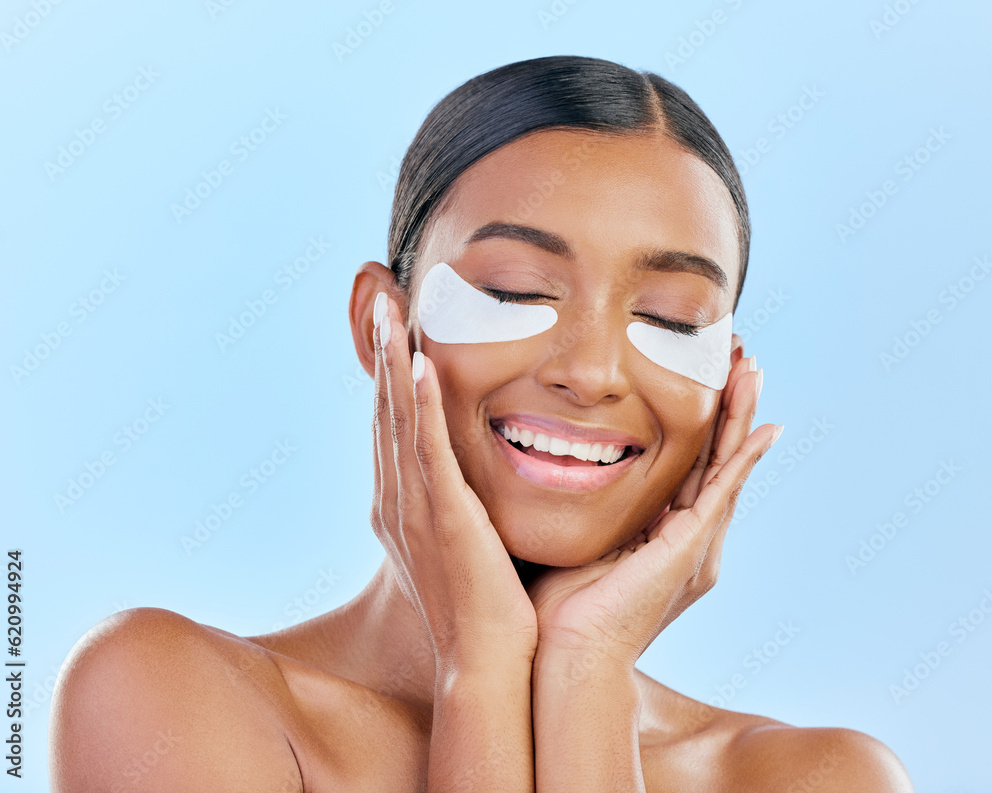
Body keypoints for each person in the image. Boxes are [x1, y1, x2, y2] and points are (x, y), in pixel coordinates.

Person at [49, 55, 914, 792]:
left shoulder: (818, 776)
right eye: (514, 291)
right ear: (381, 327)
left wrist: (587, 672)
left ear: (727, 380)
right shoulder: (165, 696)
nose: (592, 371)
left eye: (673, 318)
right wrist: (480, 665)